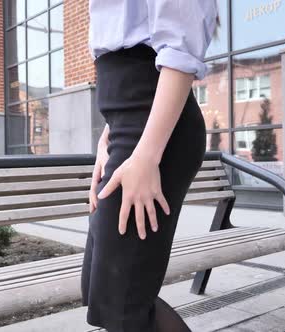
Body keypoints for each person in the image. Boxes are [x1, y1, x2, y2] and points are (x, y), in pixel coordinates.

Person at [81, 1, 220, 331]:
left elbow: (177, 47)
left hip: (154, 132)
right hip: (126, 127)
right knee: (99, 289)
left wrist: (146, 155)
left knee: (122, 302)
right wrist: (108, 139)